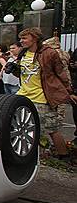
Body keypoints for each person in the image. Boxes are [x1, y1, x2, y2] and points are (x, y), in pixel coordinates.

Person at [16, 28, 73, 160]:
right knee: (26, 128)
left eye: (24, 38)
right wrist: (14, 70)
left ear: (35, 38)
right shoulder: (23, 53)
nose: (21, 41)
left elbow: (61, 73)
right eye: (21, 38)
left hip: (42, 97)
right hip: (23, 95)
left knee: (52, 128)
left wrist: (70, 92)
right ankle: (33, 156)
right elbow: (23, 73)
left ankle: (63, 156)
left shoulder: (49, 53)